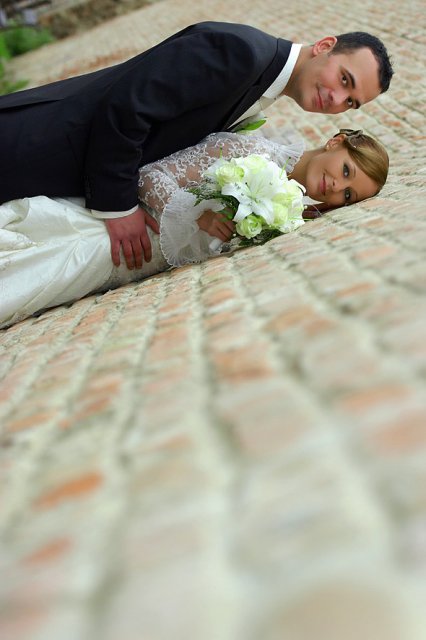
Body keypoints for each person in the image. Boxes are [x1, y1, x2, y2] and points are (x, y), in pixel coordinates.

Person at [0, 21, 393, 270]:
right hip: (32, 145)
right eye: (344, 79)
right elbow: (128, 107)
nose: (338, 99)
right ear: (324, 46)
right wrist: (118, 206)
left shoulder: (262, 78)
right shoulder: (241, 52)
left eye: (351, 102)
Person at [0, 128, 388, 329]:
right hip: (123, 231)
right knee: (38, 264)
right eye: (346, 170)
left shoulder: (290, 213)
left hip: (135, 266)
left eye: (349, 194)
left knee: (52, 287)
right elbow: (150, 175)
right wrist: (197, 214)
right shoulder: (247, 151)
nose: (336, 187)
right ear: (335, 142)